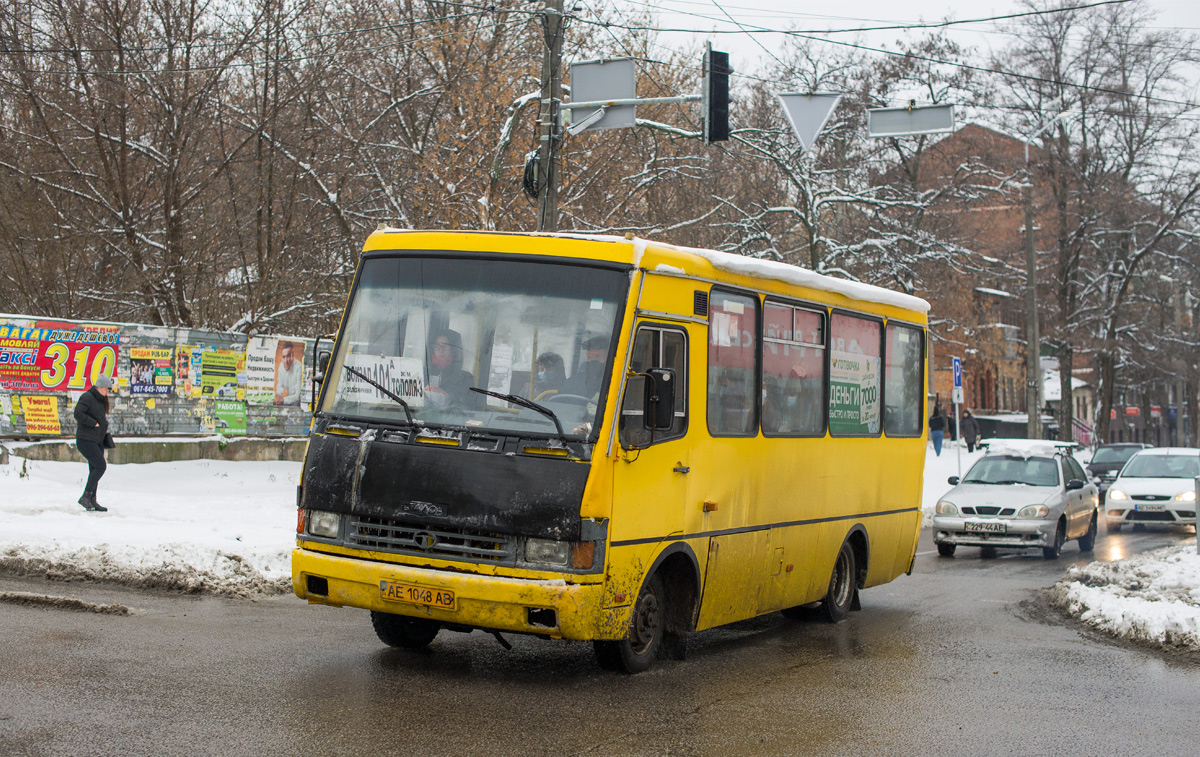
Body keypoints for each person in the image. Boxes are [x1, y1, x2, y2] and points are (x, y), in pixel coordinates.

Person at [73, 374, 113, 512]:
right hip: (85, 439)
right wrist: (93, 423)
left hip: (97, 440)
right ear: (99, 387)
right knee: (101, 466)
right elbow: (78, 413)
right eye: (106, 389)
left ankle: (92, 500)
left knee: (94, 469)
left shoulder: (101, 400)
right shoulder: (87, 397)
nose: (108, 392)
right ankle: (86, 496)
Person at [425, 330, 475, 409]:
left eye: (445, 346)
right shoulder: (423, 373)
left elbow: (469, 407)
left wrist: (447, 396)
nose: (440, 350)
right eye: (437, 346)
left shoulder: (465, 377)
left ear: (454, 350)